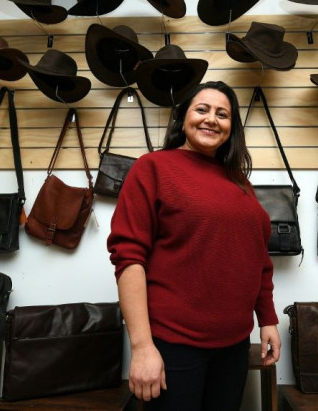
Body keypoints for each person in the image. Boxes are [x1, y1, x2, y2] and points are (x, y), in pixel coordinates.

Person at [107, 81, 281, 410]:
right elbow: (129, 258)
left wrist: (267, 319)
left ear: (232, 127)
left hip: (234, 344)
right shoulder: (153, 168)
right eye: (202, 109)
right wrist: (142, 347)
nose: (211, 119)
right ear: (182, 118)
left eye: (222, 114)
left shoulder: (239, 182)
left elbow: (257, 259)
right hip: (175, 343)